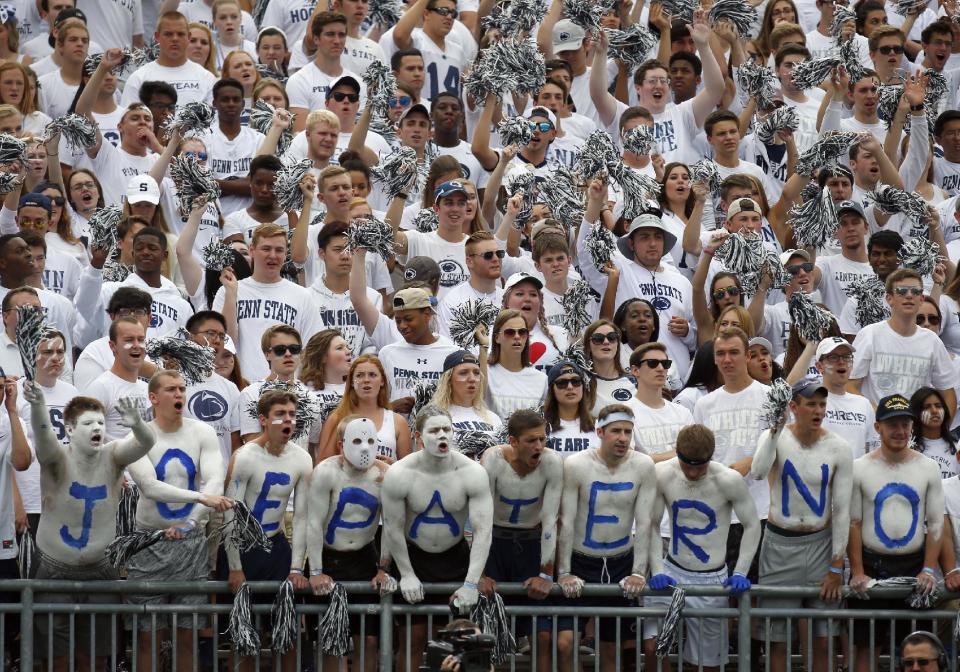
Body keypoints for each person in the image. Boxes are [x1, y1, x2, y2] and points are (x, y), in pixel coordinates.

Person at [24, 384, 153, 672]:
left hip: (100, 569)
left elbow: (144, 444)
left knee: (94, 657)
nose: (97, 427)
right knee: (55, 659)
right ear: (69, 429)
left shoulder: (113, 455)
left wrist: (138, 424)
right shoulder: (57, 459)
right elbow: (43, 440)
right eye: (88, 423)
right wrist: (37, 406)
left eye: (100, 422)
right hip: (53, 569)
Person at [125, 370, 231, 672]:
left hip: (191, 540)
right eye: (171, 389)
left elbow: (214, 482)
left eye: (183, 389)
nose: (180, 395)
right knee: (148, 636)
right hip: (149, 541)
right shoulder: (138, 436)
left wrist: (192, 522)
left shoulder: (202, 432)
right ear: (153, 397)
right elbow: (149, 486)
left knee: (188, 635)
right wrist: (199, 500)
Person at [750, 378, 853, 672]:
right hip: (780, 542)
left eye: (822, 404)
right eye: (811, 404)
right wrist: (774, 428)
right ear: (794, 407)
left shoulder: (839, 447)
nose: (818, 410)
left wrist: (836, 566)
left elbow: (842, 509)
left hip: (821, 543)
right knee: (778, 639)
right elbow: (757, 473)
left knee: (824, 639)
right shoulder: (774, 436)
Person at [380, 405, 493, 671]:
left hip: (455, 556)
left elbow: (483, 531)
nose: (442, 435)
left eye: (446, 429)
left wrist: (470, 583)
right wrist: (406, 574)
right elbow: (393, 527)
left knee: (455, 637)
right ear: (419, 436)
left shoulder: (472, 472)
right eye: (434, 430)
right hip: (414, 556)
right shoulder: (399, 473)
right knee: (413, 638)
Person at [645, 424, 761, 672]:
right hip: (672, 570)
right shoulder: (662, 473)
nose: (694, 473)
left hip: (712, 578)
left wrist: (740, 571)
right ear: (677, 454)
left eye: (700, 466)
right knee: (654, 647)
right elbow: (651, 524)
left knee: (706, 663)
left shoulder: (728, 480)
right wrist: (656, 569)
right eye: (688, 466)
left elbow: (752, 524)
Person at [557, 403, 657, 672]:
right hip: (581, 559)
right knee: (566, 643)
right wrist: (564, 571)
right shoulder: (576, 464)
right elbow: (566, 521)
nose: (623, 438)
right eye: (616, 431)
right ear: (600, 432)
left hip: (619, 561)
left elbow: (645, 521)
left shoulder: (643, 465)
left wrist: (638, 572)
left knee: (611, 647)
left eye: (627, 431)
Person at [849, 394, 945, 672]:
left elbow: (936, 524)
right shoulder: (860, 468)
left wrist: (928, 568)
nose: (900, 431)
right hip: (871, 563)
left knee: (919, 646)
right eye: (893, 425)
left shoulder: (929, 467)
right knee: (866, 645)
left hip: (913, 566)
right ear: (878, 427)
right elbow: (853, 522)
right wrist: (856, 570)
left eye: (905, 424)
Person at [218, 390, 312, 665]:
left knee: (287, 631)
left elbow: (304, 516)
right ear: (263, 420)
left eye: (292, 414)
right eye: (280, 414)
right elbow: (230, 514)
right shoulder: (245, 456)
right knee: (243, 635)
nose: (288, 420)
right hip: (243, 548)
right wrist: (235, 566)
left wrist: (297, 567)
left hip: (276, 544)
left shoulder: (302, 458)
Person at [578, 179, 696, 379]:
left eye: (658, 237)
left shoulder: (682, 282)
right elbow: (585, 251)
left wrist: (688, 333)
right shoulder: (619, 269)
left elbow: (697, 339)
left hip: (677, 384)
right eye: (644, 237)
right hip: (631, 378)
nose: (652, 243)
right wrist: (595, 204)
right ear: (631, 244)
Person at [307, 416, 394, 672]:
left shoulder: (385, 475)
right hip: (328, 556)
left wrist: (383, 568)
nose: (365, 448)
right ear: (340, 444)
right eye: (357, 440)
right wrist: (315, 571)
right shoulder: (325, 472)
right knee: (330, 639)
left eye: (370, 441)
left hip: (365, 556)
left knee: (368, 638)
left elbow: (391, 524)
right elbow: (313, 522)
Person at [480, 410, 563, 672]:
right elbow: (480, 518)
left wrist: (546, 574)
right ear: (513, 441)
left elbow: (550, 521)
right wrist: (479, 573)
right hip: (495, 542)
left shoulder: (552, 462)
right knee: (488, 631)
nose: (539, 446)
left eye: (542, 439)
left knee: (542, 634)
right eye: (531, 441)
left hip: (532, 543)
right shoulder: (493, 459)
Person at [694, 327, 771, 580]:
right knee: (722, 590)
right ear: (714, 358)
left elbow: (785, 446)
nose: (727, 360)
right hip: (719, 512)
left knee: (757, 590)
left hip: (760, 509)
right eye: (721, 354)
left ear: (747, 356)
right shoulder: (705, 404)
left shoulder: (769, 397)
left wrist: (753, 460)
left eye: (734, 353)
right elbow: (701, 455)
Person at [212, 223, 325, 381]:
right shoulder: (227, 291)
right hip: (241, 388)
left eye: (279, 250)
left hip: (284, 392)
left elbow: (314, 350)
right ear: (252, 250)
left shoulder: (302, 296)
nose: (273, 255)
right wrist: (232, 295)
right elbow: (225, 345)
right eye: (266, 249)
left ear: (286, 254)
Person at [849, 268, 956, 413]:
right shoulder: (869, 335)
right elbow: (849, 386)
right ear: (889, 299)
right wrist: (877, 414)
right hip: (877, 430)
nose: (909, 296)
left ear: (921, 299)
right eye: (902, 291)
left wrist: (938, 432)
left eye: (916, 291)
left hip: (916, 431)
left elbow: (948, 393)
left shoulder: (932, 341)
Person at [787, 336, 879, 458]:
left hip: (853, 476)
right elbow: (788, 390)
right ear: (819, 366)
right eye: (833, 357)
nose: (841, 362)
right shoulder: (809, 401)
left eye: (846, 357)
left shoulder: (864, 404)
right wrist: (811, 346)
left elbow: (871, 450)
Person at [318, 355, 412, 464]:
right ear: (352, 382)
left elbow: (408, 471)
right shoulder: (337, 418)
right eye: (359, 375)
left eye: (372, 375)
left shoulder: (398, 422)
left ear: (382, 381)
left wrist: (391, 466)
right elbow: (323, 466)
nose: (366, 380)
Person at [121, 11, 217, 108]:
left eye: (180, 34)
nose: (175, 38)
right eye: (168, 34)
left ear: (188, 37)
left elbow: (214, 121)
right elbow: (128, 119)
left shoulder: (206, 78)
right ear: (157, 37)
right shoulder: (139, 78)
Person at [83, 317, 152, 441]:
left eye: (141, 340)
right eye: (129, 340)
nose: (137, 345)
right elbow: (85, 441)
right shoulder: (101, 387)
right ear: (113, 346)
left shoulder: (146, 388)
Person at [626, 342, 694, 460]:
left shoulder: (683, 413)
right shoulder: (624, 414)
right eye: (653, 363)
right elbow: (628, 461)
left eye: (665, 364)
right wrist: (679, 455)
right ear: (635, 370)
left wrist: (648, 458)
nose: (661, 368)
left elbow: (695, 453)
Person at [485, 309, 548, 419]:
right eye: (510, 332)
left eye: (522, 332)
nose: (517, 336)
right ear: (497, 338)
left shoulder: (541, 379)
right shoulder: (485, 373)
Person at [542, 360, 598, 457]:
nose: (570, 387)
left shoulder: (598, 426)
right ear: (552, 390)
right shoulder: (541, 426)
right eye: (562, 383)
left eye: (575, 381)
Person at [909, 387, 958, 480]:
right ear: (916, 413)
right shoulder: (907, 449)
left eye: (938, 406)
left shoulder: (957, 447)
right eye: (927, 407)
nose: (934, 411)